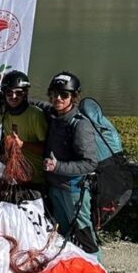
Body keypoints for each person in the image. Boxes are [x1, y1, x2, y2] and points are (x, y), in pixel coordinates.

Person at [43, 71, 100, 257]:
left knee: (83, 234)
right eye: (54, 94)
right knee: (61, 233)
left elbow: (91, 163)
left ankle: (97, 265)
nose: (58, 98)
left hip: (74, 190)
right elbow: (39, 104)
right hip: (55, 187)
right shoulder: (53, 116)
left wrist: (57, 167)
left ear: (73, 97)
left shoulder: (80, 125)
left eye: (64, 95)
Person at [0, 70, 48, 187]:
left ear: (25, 94)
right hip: (15, 176)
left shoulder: (36, 115)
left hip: (36, 178)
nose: (13, 97)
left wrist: (22, 144)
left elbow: (46, 149)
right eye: (9, 93)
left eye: (18, 93)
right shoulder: (6, 115)